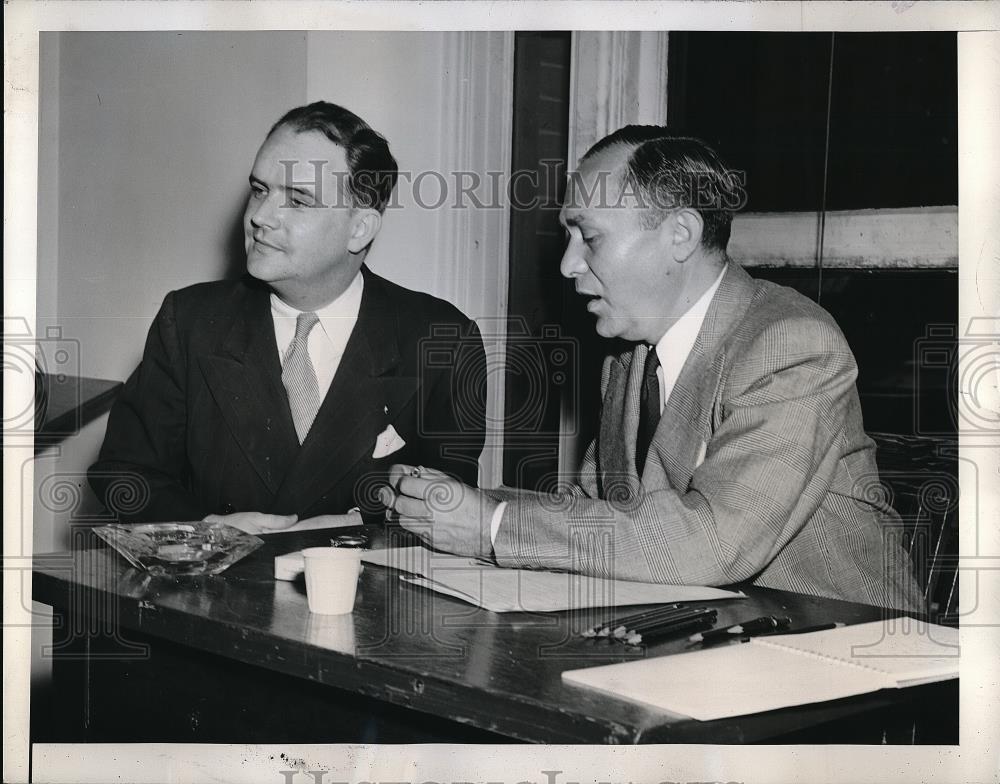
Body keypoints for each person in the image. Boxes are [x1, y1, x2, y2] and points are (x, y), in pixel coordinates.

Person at [385, 125, 923, 611]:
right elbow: (602, 510)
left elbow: (713, 542)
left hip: (844, 654)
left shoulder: (792, 345)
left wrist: (489, 528)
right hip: (720, 631)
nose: (568, 265)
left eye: (589, 237)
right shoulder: (629, 358)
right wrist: (465, 504)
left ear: (681, 234)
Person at [90, 101, 486, 534]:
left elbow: (449, 513)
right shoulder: (189, 322)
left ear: (360, 229)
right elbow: (123, 473)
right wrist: (205, 531)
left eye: (297, 200)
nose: (260, 217)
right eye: (259, 190)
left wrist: (364, 529)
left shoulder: (441, 340)